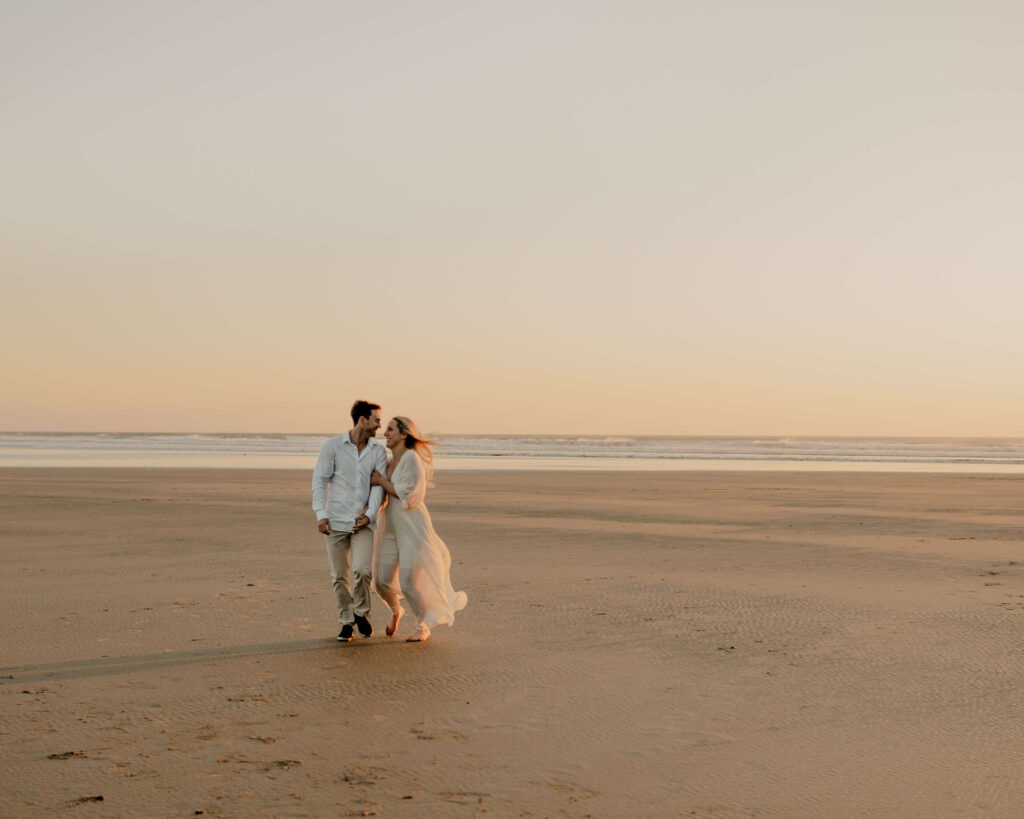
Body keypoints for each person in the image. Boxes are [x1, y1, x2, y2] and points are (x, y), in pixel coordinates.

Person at [371, 416, 468, 642]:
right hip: (389, 525)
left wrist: (382, 482)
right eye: (385, 429)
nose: (385, 433)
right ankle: (396, 610)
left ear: (404, 434)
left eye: (390, 429)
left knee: (408, 580)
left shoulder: (412, 458)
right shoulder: (387, 462)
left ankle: (422, 625)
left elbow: (412, 496)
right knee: (380, 580)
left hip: (412, 524)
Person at [312, 400, 387, 643]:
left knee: (362, 570)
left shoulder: (378, 451)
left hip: (363, 522)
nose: (379, 424)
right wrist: (321, 514)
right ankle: (346, 621)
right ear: (362, 420)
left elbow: (377, 485)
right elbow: (319, 481)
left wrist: (370, 515)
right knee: (338, 575)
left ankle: (361, 612)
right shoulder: (333, 446)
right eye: (376, 419)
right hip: (334, 521)